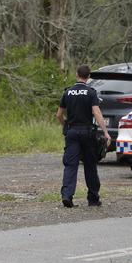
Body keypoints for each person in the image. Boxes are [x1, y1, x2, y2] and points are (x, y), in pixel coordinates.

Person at [56, 64, 110, 208]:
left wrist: (65, 125)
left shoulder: (67, 92)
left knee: (70, 165)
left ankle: (67, 196)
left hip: (72, 132)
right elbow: (96, 113)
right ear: (89, 76)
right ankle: (93, 198)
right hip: (87, 132)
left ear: (76, 75)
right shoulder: (91, 92)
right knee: (90, 166)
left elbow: (59, 115)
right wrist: (105, 132)